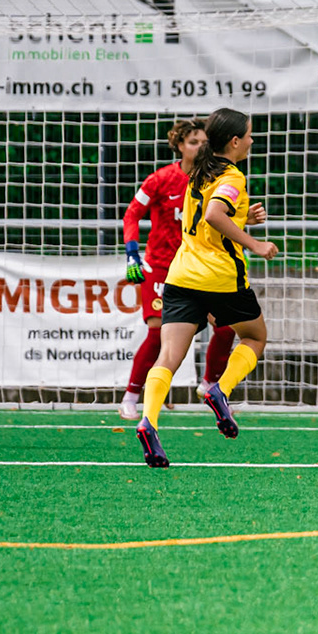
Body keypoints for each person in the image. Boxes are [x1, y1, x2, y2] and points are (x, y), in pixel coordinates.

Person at [134, 108, 273, 468]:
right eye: (250, 135)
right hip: (221, 278)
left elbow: (205, 217)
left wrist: (243, 216)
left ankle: (148, 419)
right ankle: (221, 388)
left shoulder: (196, 172)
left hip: (181, 276)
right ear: (235, 141)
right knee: (255, 337)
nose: (253, 140)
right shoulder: (232, 175)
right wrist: (255, 243)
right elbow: (213, 214)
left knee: (168, 356)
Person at [118, 119, 236, 420]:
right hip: (161, 267)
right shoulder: (160, 179)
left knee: (225, 325)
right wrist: (132, 253)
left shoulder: (217, 179)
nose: (199, 146)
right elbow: (132, 214)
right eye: (193, 141)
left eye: (203, 141)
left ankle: (209, 385)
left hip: (199, 266)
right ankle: (131, 397)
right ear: (180, 145)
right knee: (158, 332)